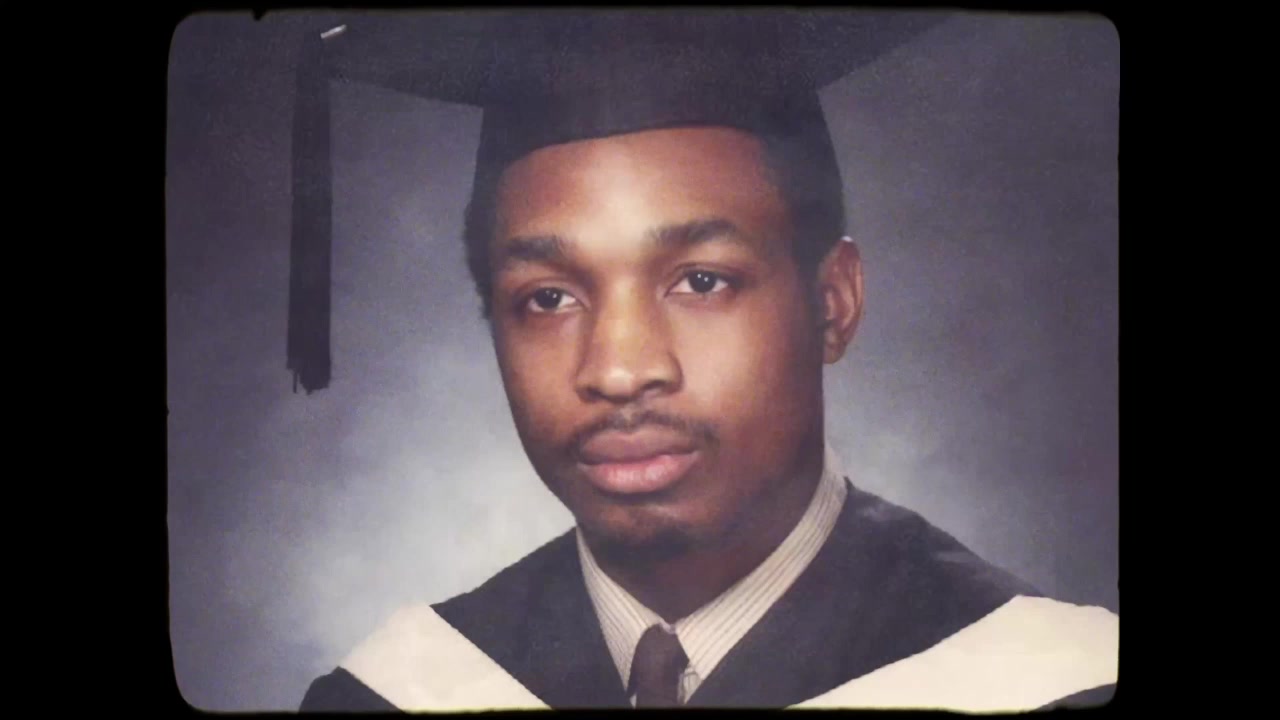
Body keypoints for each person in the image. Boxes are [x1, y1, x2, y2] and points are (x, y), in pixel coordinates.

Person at [291, 9, 1118, 711]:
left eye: (700, 281)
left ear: (833, 305)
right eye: (549, 298)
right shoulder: (402, 694)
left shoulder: (1043, 684)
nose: (618, 371)